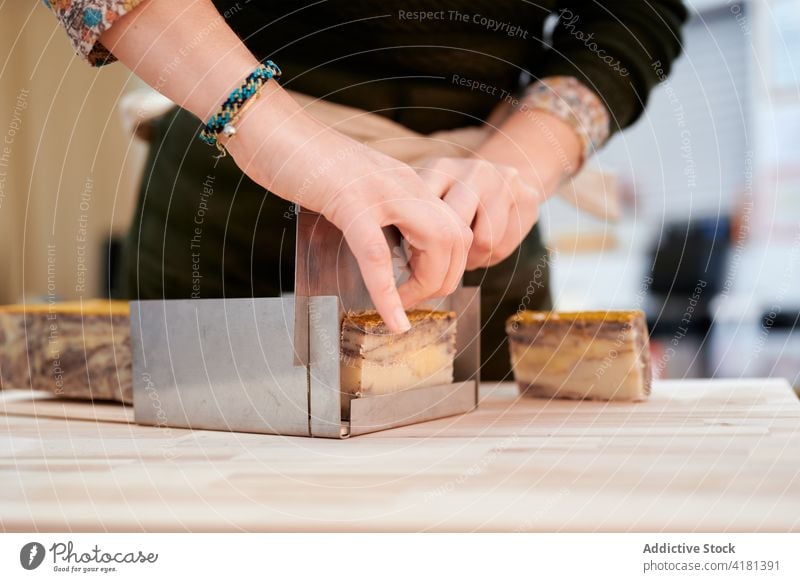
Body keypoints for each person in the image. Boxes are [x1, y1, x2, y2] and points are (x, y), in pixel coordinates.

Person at [47, 0, 687, 379]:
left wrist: (521, 162)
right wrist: (274, 133)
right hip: (223, 211)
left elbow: (635, 14)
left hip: (473, 224)